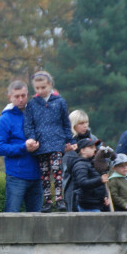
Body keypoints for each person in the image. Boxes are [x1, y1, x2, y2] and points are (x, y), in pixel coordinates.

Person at [23, 71, 74, 212]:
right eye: (37, 88)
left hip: (57, 140)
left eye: (43, 87)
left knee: (57, 170)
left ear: (50, 85)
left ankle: (59, 199)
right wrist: (31, 137)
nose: (40, 91)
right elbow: (29, 124)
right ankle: (47, 201)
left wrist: (69, 139)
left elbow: (65, 123)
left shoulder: (60, 102)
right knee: (44, 173)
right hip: (41, 143)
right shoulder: (32, 105)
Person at [0, 80, 41, 213]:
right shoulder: (4, 120)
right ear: (10, 97)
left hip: (38, 175)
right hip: (16, 176)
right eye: (17, 96)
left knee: (37, 219)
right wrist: (23, 147)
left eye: (23, 95)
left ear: (28, 95)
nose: (21, 99)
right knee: (11, 217)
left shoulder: (36, 114)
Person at [65, 137, 108, 212]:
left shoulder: (94, 164)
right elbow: (82, 183)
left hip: (96, 204)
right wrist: (100, 180)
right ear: (82, 150)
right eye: (91, 147)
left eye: (95, 147)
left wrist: (104, 196)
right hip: (86, 205)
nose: (95, 150)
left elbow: (99, 186)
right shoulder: (80, 165)